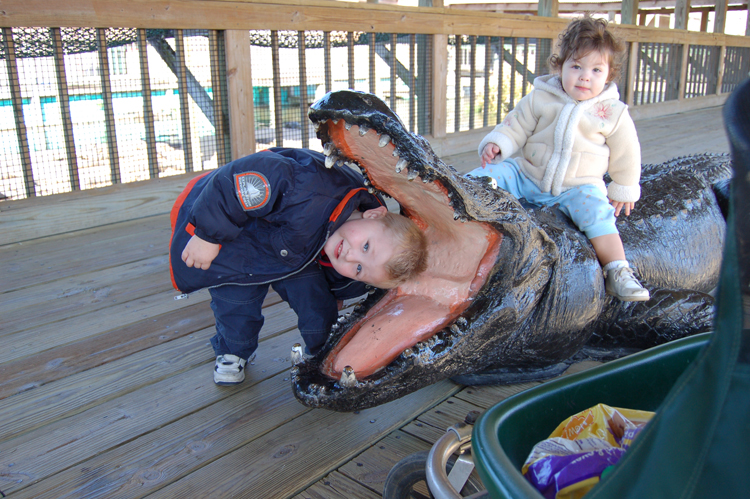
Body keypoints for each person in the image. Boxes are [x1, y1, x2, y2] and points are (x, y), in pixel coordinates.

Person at [169, 147, 428, 385]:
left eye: (360, 269)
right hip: (237, 241)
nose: (350, 257)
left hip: (292, 251)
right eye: (366, 247)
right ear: (373, 214)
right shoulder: (307, 190)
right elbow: (244, 178)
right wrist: (209, 234)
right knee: (236, 303)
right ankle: (232, 350)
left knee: (316, 301)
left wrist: (336, 293)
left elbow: (343, 277)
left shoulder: (344, 235)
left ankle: (324, 350)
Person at [469, 16, 649, 302]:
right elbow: (516, 125)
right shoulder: (542, 97)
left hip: (577, 186)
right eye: (576, 66)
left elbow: (627, 152)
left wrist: (624, 186)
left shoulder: (612, 113)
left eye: (596, 69)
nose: (584, 76)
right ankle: (455, 201)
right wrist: (498, 144)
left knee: (599, 216)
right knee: (491, 176)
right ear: (560, 65)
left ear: (608, 75)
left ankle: (617, 270)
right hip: (528, 174)